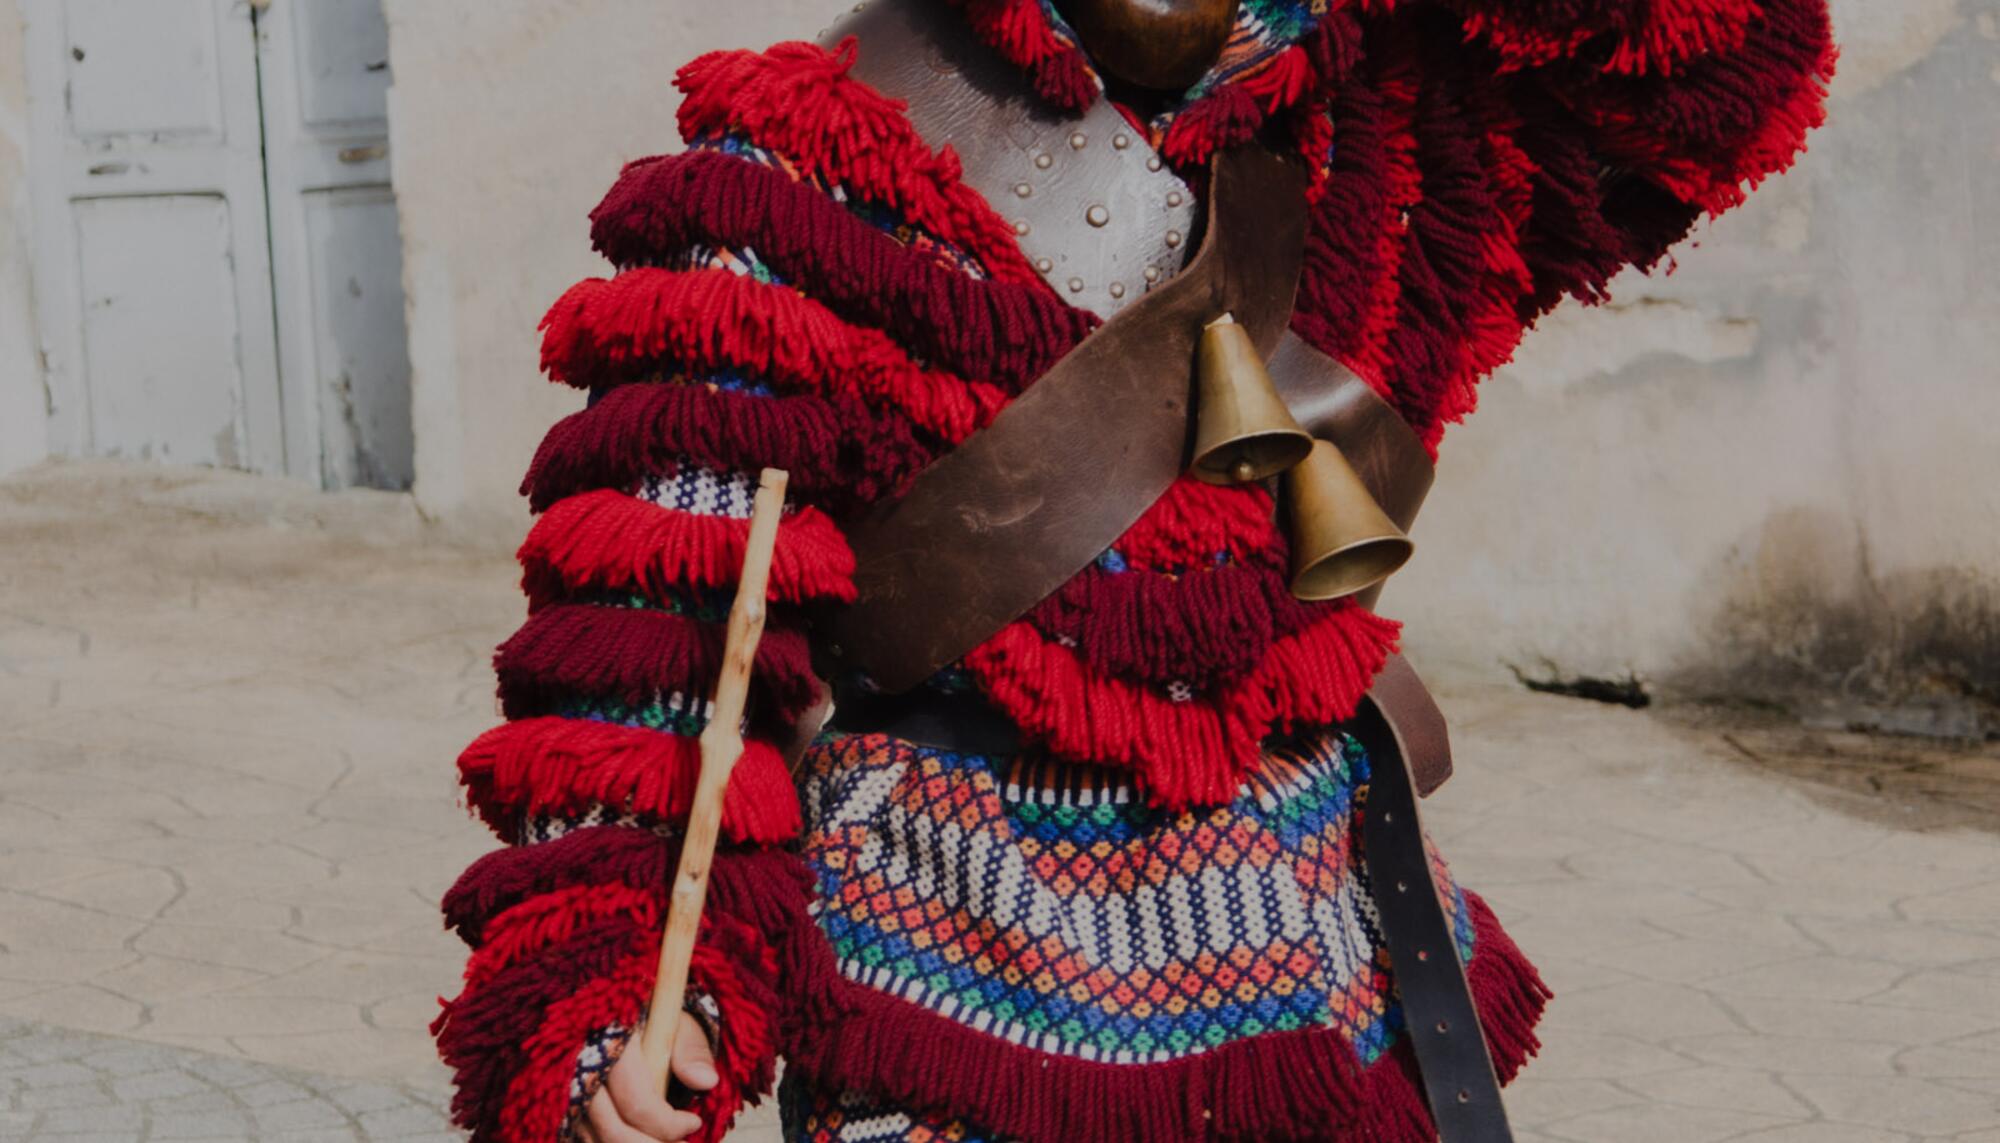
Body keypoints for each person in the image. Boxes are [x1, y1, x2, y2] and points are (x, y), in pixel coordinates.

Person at [431, 1, 1836, 1139]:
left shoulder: (1402, 132)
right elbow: (652, 653)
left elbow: (1719, 72)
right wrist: (623, 1003)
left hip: (1320, 994)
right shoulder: (796, 164)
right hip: (953, 1003)